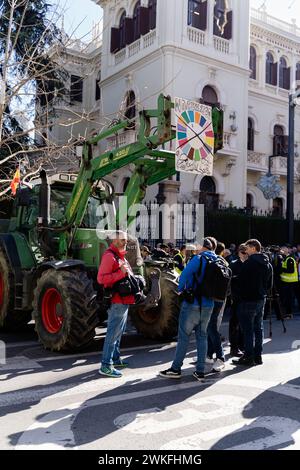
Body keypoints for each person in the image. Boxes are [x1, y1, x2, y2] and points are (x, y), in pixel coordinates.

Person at [159, 237, 218, 381]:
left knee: (184, 336)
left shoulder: (198, 259)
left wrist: (179, 290)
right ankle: (200, 371)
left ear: (201, 247)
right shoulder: (218, 260)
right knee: (202, 336)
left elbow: (184, 276)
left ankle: (176, 369)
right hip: (209, 304)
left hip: (193, 304)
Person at [97, 231, 135, 378]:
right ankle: (106, 365)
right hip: (117, 301)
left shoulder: (119, 256)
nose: (125, 242)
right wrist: (121, 273)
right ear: (114, 240)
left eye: (126, 239)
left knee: (119, 333)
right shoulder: (109, 256)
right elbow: (101, 279)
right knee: (112, 335)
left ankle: (115, 359)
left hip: (124, 301)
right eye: (122, 240)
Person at [233, 239, 273, 367]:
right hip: (261, 298)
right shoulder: (267, 263)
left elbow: (241, 282)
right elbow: (269, 284)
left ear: (254, 248)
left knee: (248, 330)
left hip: (248, 300)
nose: (246, 250)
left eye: (248, 248)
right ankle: (258, 356)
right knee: (258, 328)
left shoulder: (249, 263)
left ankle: (249, 356)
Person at [207, 241, 227, 372]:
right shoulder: (224, 262)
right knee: (211, 327)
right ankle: (209, 354)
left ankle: (220, 356)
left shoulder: (211, 261)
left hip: (211, 299)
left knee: (212, 328)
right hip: (221, 298)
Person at [228, 244, 248, 356]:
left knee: (244, 324)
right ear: (239, 252)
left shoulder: (250, 264)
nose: (245, 254)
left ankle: (243, 346)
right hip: (236, 298)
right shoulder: (233, 264)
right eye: (242, 252)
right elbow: (230, 281)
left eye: (246, 252)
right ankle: (234, 347)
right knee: (234, 323)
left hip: (247, 298)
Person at [279, 246, 298, 319]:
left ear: (286, 251)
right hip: (286, 282)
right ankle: (287, 314)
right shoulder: (285, 258)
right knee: (287, 298)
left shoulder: (290, 258)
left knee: (289, 299)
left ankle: (289, 314)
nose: (281, 252)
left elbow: (291, 270)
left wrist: (281, 269)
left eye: (282, 250)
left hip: (290, 282)